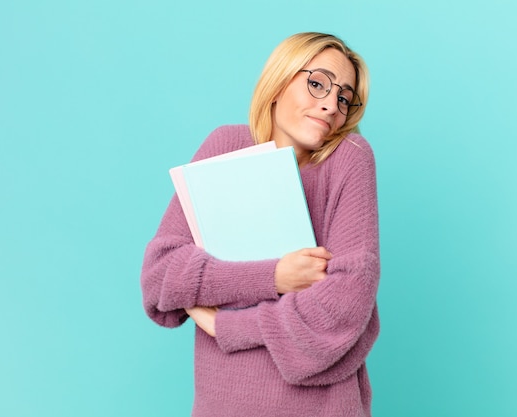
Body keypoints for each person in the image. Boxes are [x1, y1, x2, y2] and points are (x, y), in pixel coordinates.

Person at [141, 32, 380, 417]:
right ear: (279, 80)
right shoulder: (224, 146)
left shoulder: (348, 158)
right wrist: (276, 277)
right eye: (317, 83)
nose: (330, 106)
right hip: (222, 405)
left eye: (343, 97)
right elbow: (160, 278)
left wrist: (228, 326)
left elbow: (347, 303)